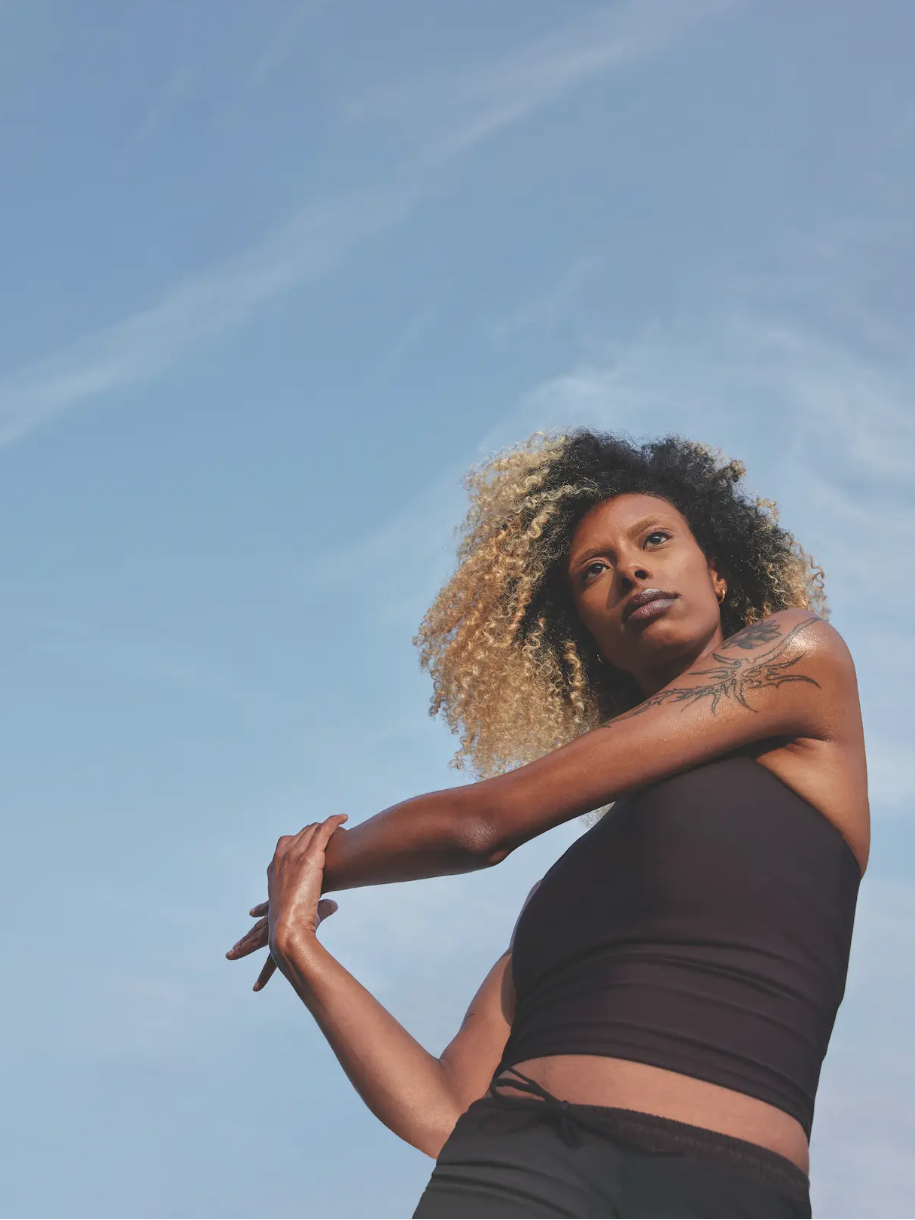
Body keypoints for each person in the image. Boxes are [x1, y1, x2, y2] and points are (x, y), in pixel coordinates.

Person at [226, 430, 867, 1218]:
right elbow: (446, 1109)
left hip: (727, 1189)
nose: (630, 568)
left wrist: (319, 860)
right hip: (513, 1177)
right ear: (583, 634)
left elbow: (481, 823)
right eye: (593, 571)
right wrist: (299, 947)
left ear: (719, 571)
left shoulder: (799, 659)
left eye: (654, 541)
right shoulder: (565, 896)